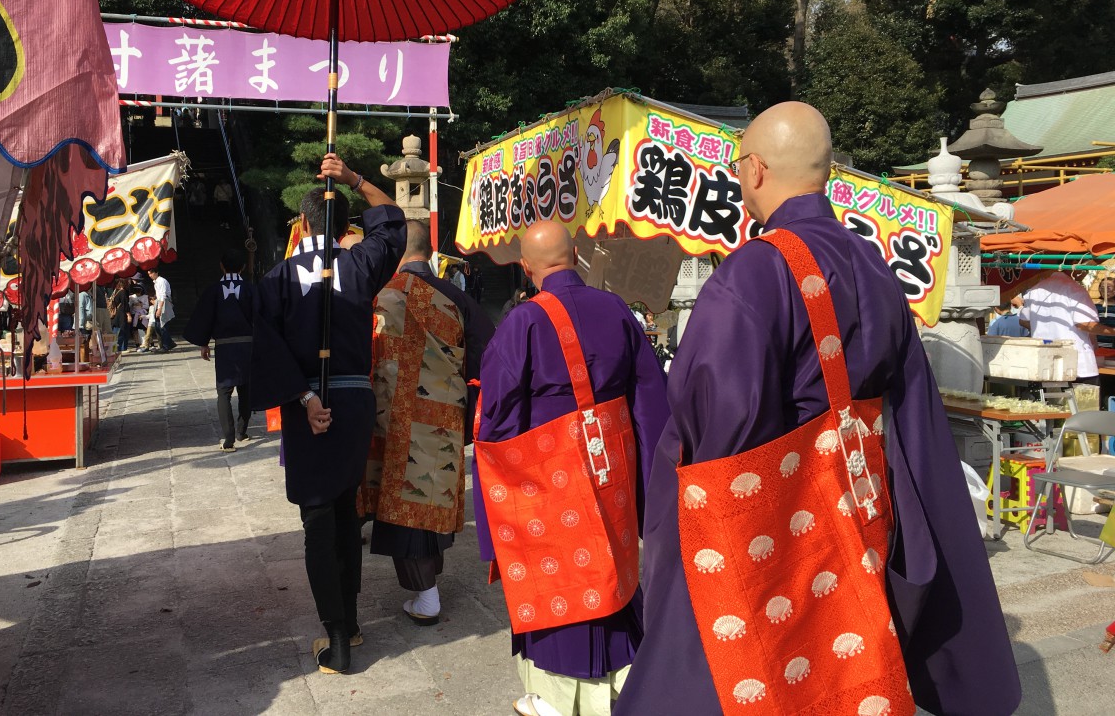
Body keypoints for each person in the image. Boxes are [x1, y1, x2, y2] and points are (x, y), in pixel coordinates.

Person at [618, 102, 1020, 715]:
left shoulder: (755, 271)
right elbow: (907, 401)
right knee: (843, 662)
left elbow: (716, 418)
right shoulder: (876, 266)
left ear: (754, 170)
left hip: (767, 524)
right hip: (857, 510)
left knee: (741, 672)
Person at [474, 220, 670, 716]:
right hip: (614, 469)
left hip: (548, 477)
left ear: (527, 267)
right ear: (575, 254)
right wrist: (650, 486)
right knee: (616, 567)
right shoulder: (617, 310)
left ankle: (557, 699)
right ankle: (627, 681)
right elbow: (651, 402)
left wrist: (498, 501)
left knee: (559, 579)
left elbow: (496, 421)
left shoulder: (523, 322)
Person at [251, 153, 405, 675]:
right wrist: (356, 179)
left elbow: (264, 344)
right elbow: (393, 221)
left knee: (319, 518)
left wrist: (304, 399)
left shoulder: (279, 277)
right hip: (355, 400)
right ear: (346, 229)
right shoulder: (361, 264)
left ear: (302, 224)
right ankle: (352, 623)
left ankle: (336, 636)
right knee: (344, 510)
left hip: (309, 401)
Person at [364, 220, 495, 626]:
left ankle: (427, 595)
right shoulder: (455, 297)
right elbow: (486, 358)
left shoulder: (377, 297)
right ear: (429, 251)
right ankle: (428, 584)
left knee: (402, 503)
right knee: (430, 496)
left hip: (389, 417)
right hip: (442, 417)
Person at [185, 249, 255, 451]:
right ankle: (242, 431)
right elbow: (261, 317)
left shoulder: (213, 291)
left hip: (225, 347)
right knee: (246, 390)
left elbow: (204, 317)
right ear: (242, 267)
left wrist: (204, 342)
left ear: (222, 266)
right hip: (248, 345)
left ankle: (229, 439)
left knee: (224, 391)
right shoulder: (250, 289)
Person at [1020, 271, 1115, 388]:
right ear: (1074, 266)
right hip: (1077, 365)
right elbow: (1085, 324)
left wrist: (1045, 326)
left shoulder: (1034, 290)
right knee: (1084, 404)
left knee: (1050, 404)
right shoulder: (1075, 289)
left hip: (1045, 361)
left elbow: (1024, 320)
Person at [147, 267, 177, 353]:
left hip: (163, 302)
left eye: (151, 273)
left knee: (163, 325)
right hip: (159, 301)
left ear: (156, 273)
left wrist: (159, 308)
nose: (150, 275)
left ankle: (166, 345)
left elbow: (163, 295)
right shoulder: (156, 282)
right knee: (158, 326)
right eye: (149, 274)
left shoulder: (161, 281)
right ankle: (169, 342)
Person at [109, 279, 132, 353]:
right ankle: (121, 348)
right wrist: (128, 314)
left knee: (115, 332)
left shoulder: (115, 292)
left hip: (116, 314)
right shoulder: (123, 292)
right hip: (122, 313)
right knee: (123, 331)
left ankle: (114, 348)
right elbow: (125, 304)